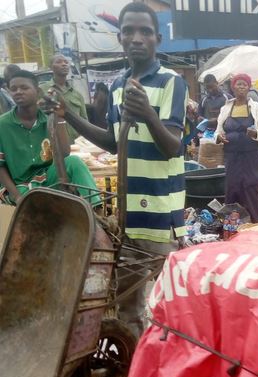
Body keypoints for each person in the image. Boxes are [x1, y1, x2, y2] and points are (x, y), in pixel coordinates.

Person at [54, 2, 188, 338]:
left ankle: (169, 367)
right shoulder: (117, 86)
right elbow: (113, 142)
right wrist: (69, 115)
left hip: (161, 214)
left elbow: (173, 145)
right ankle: (134, 370)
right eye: (129, 31)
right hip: (130, 216)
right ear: (120, 38)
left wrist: (148, 114)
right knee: (129, 303)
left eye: (145, 31)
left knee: (170, 303)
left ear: (158, 38)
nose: (136, 38)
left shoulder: (172, 81)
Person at [0, 70, 99, 206]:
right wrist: (16, 196)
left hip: (50, 177)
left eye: (24, 88)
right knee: (36, 208)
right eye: (13, 89)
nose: (18, 92)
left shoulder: (49, 117)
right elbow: (0, 166)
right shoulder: (2, 124)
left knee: (74, 162)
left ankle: (97, 211)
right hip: (21, 186)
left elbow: (65, 152)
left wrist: (58, 118)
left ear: (37, 91)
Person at [215, 74, 258, 223]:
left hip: (251, 157)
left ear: (248, 88)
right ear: (233, 87)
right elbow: (218, 130)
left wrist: (256, 133)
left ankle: (257, 223)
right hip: (231, 156)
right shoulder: (225, 108)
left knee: (252, 186)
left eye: (244, 84)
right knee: (232, 186)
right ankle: (231, 224)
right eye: (238, 84)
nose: (241, 87)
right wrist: (218, 137)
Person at [40, 54, 88, 142]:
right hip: (51, 143)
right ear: (51, 67)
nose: (64, 64)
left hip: (75, 145)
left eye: (66, 62)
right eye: (59, 62)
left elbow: (84, 121)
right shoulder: (42, 90)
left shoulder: (77, 95)